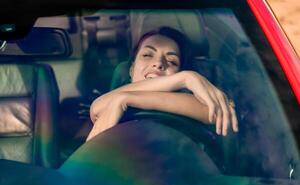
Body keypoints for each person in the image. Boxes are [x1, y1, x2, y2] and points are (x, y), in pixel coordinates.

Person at [86, 27, 238, 142]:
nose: (158, 63)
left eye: (172, 61)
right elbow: (96, 108)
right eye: (147, 55)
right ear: (131, 69)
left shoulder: (192, 102)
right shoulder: (112, 100)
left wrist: (125, 99)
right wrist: (186, 78)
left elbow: (218, 114)